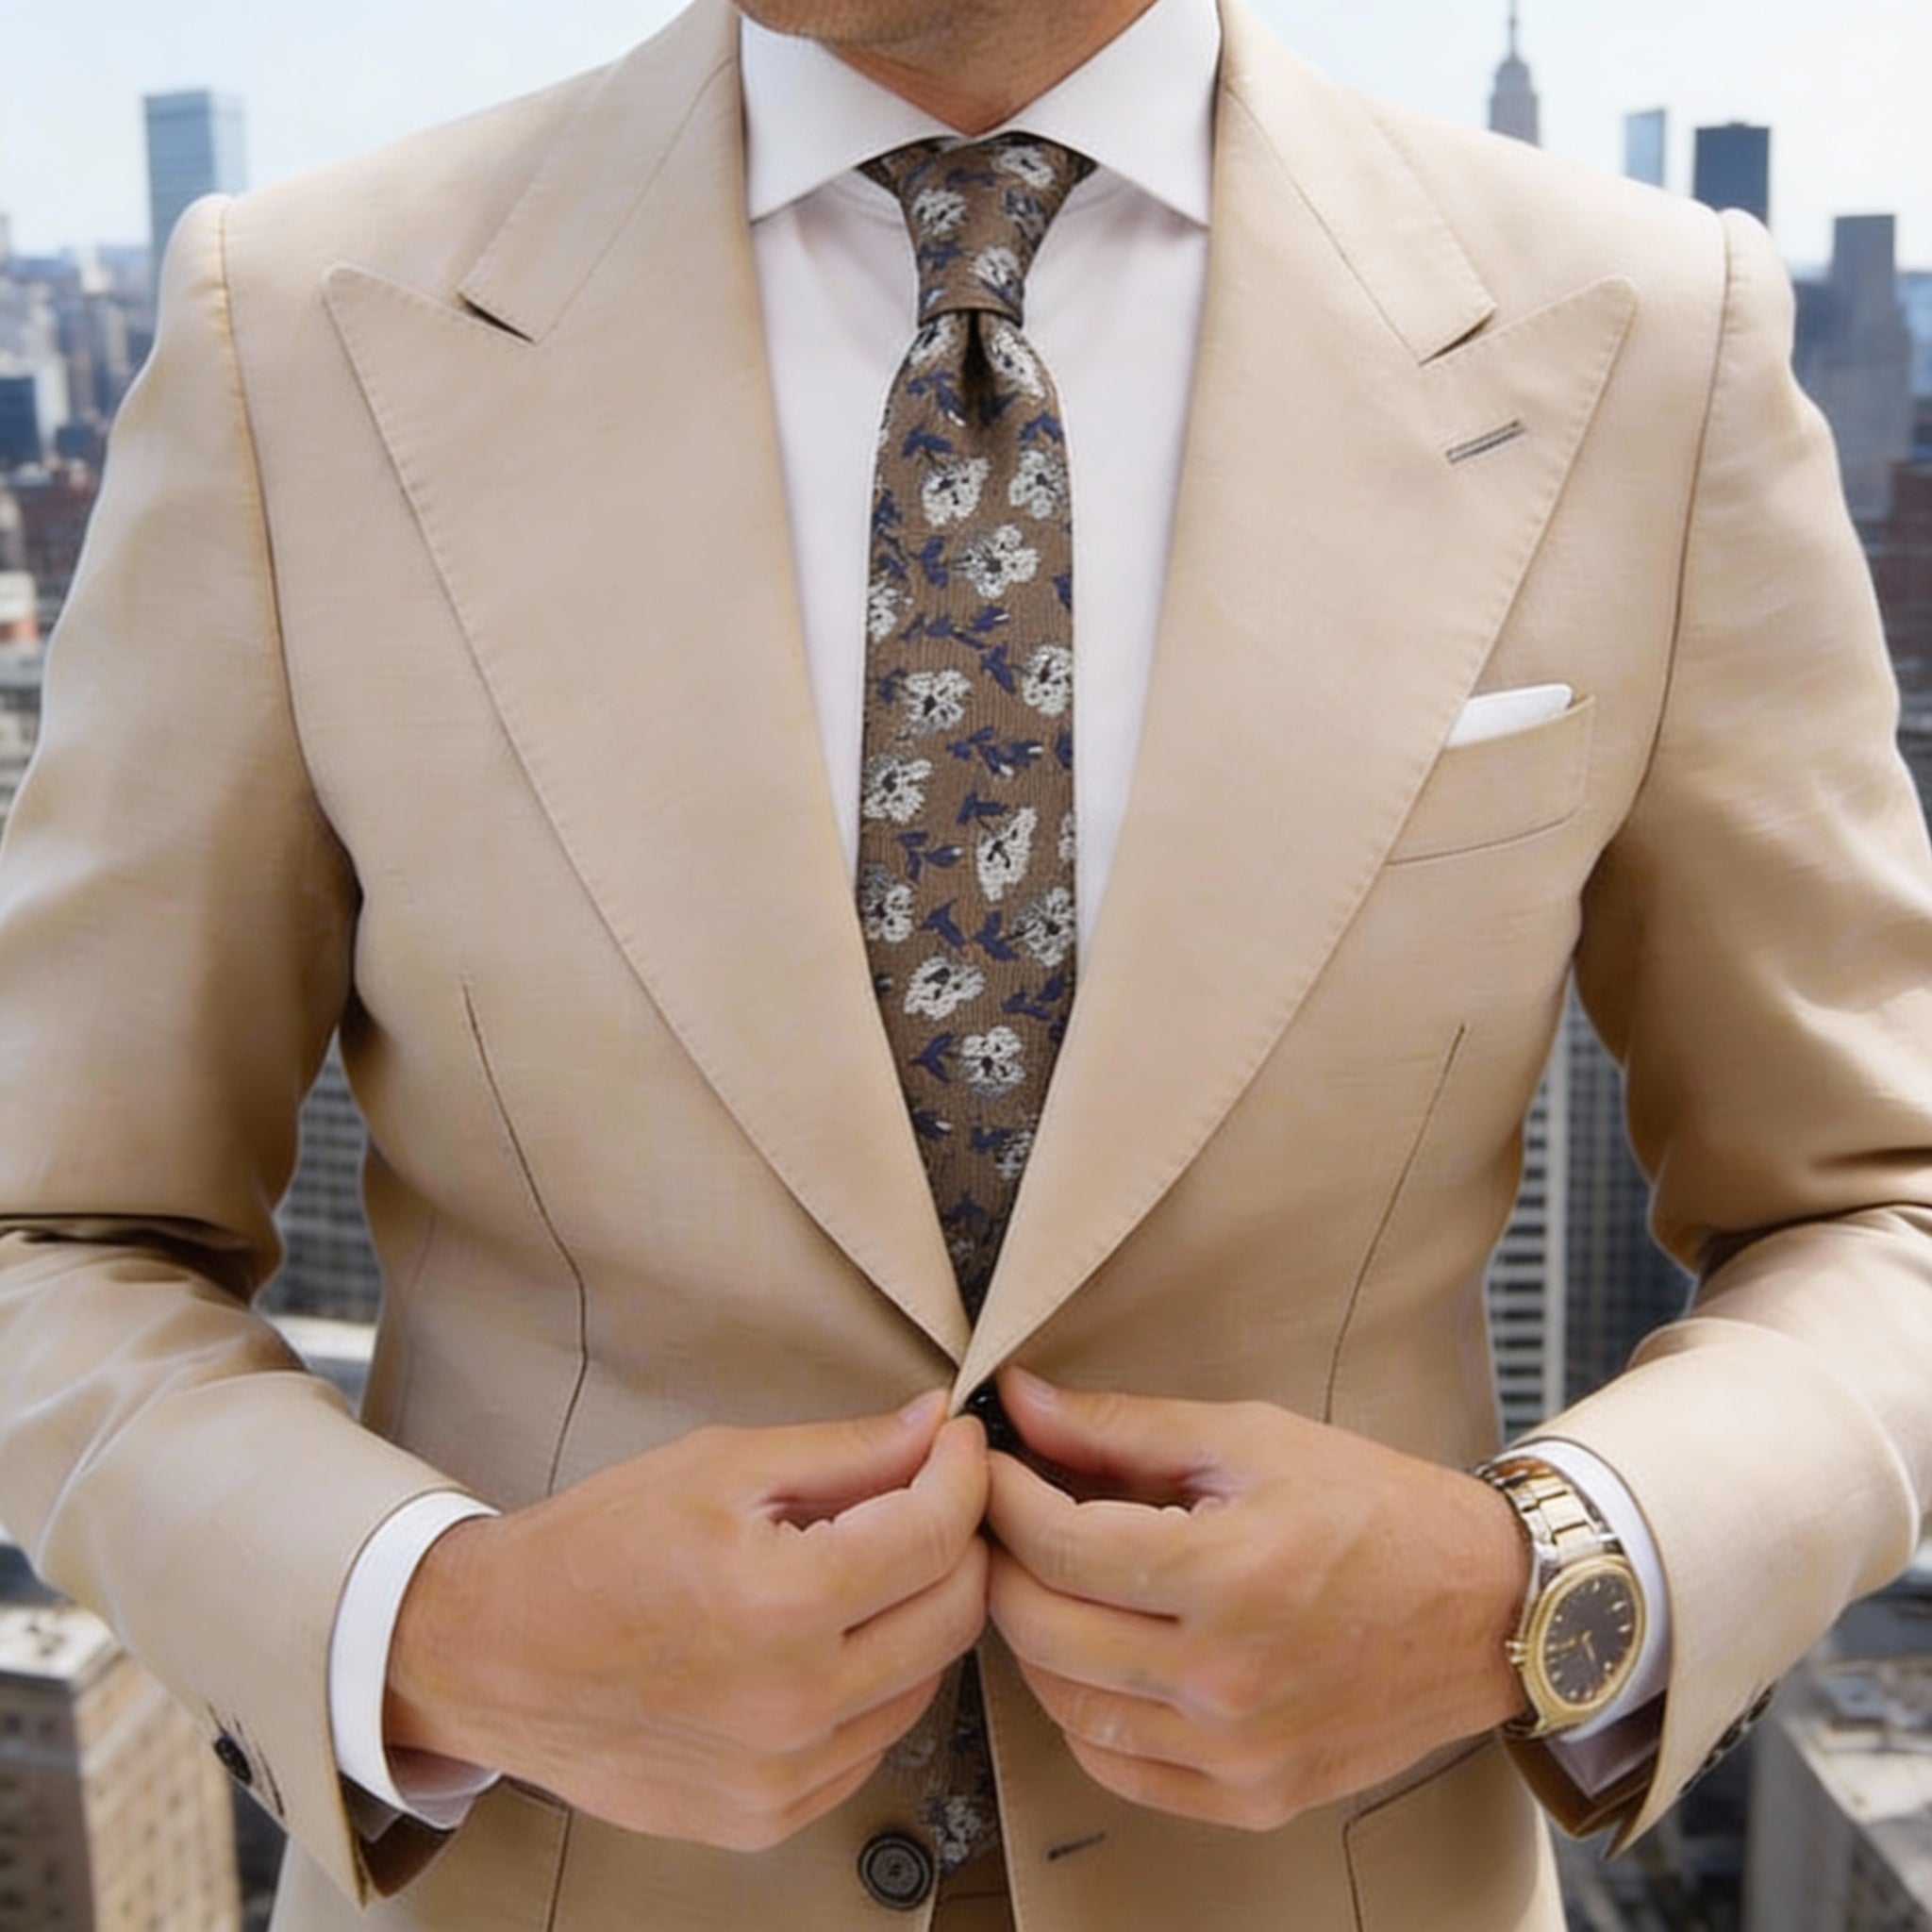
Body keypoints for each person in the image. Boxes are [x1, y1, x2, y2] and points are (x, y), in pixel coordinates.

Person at [0, 0, 1928, 1924]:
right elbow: (52, 1234)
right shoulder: (299, 329)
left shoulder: (1646, 337)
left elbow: (1881, 1206)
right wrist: (438, 1627)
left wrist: (1535, 1590)